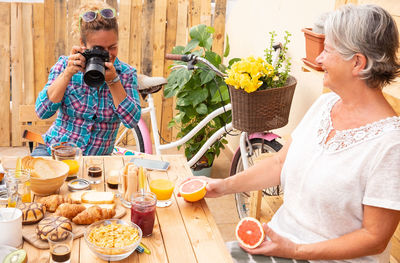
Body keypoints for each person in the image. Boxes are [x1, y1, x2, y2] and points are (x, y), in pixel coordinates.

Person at [186, 4, 400, 262]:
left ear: (357, 63)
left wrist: (295, 251)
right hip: (280, 244)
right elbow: (279, 162)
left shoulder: (391, 144)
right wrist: (223, 186)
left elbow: (374, 238)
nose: (319, 58)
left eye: (328, 50)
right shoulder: (325, 105)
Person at [33, 0, 141, 156]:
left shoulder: (126, 73)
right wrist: (67, 74)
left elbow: (131, 121)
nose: (108, 54)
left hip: (97, 163)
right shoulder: (66, 65)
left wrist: (113, 82)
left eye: (112, 47)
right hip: (56, 152)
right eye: (98, 49)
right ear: (83, 44)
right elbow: (41, 112)